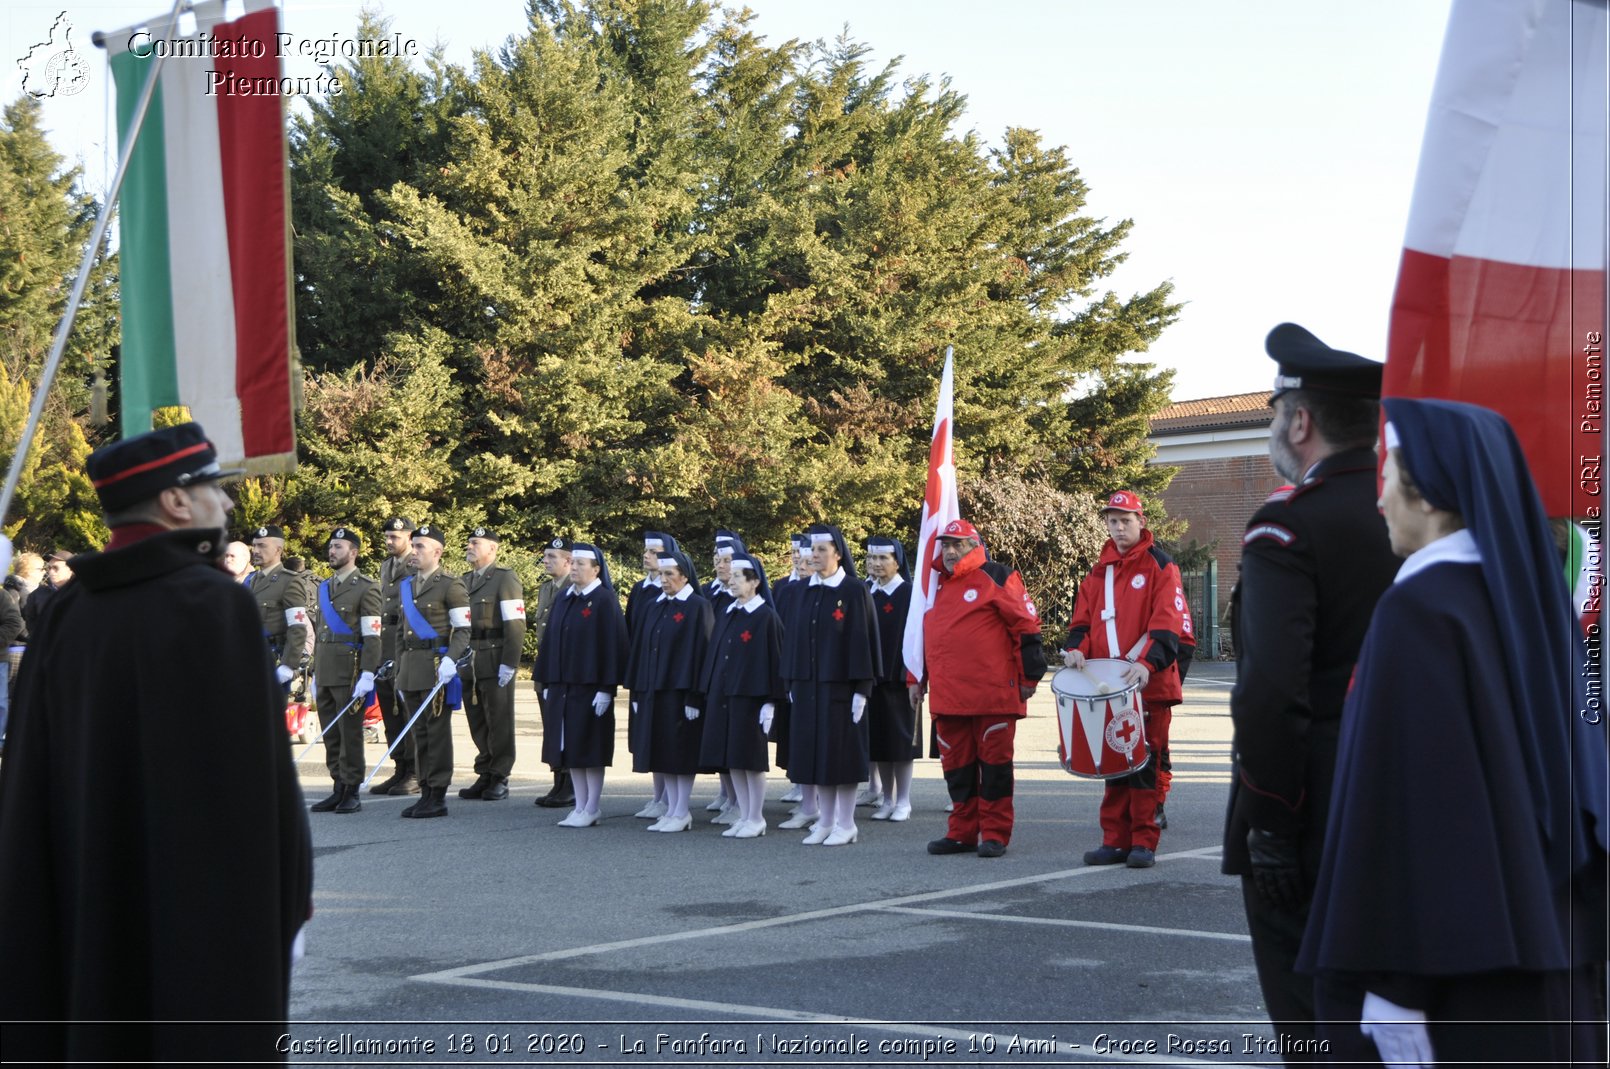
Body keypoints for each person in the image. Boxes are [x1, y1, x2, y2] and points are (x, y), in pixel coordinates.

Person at [1297, 398, 1607, 1065]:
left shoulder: (1421, 610)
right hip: (1549, 949)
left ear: (1430, 494)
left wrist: (1394, 981)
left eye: (1388, 473)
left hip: (1452, 982)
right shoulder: (1529, 604)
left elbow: (1421, 804)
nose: (1378, 496)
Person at [0, 421, 311, 1061]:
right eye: (214, 489)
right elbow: (257, 781)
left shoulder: (68, 608)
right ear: (175, 502)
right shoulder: (212, 603)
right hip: (201, 904)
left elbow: (30, 771)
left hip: (87, 885)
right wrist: (287, 894)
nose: (226, 504)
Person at [1222, 323, 1400, 1058]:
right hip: (1400, 797)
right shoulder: (1422, 517)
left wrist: (1269, 824)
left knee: (1313, 1026)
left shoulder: (1288, 526)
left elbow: (1271, 692)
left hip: (1312, 808)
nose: (1272, 427)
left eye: (1272, 411)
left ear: (1300, 420)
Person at [1064, 491, 1184, 869]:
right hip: (1106, 687)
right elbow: (1081, 622)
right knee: (1114, 763)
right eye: (1112, 521)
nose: (1118, 528)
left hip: (1148, 684)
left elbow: (1168, 624)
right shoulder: (1099, 572)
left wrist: (1148, 665)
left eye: (1125, 520)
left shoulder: (1161, 567)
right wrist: (1075, 649)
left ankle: (1144, 842)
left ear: (1141, 522)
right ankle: (1114, 840)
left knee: (1145, 763)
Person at [914, 519, 1046, 858]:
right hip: (949, 697)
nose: (950, 551)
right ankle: (961, 832)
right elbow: (917, 638)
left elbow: (1026, 624)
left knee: (994, 768)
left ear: (975, 546)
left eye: (958, 544)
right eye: (945, 545)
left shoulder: (997, 575)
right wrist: (914, 678)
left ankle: (995, 833)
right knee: (957, 770)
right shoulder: (933, 587)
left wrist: (1030, 676)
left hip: (992, 695)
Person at [779, 523, 881, 847]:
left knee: (841, 756)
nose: (816, 555)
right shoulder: (806, 590)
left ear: (838, 553)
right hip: (809, 687)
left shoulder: (853, 590)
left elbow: (864, 641)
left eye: (822, 550)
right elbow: (793, 638)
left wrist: (862, 689)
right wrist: (792, 679)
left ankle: (846, 822)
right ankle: (824, 820)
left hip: (841, 688)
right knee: (816, 754)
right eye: (813, 550)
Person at [533, 542, 628, 828]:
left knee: (590, 748)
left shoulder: (604, 600)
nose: (573, 569)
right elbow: (550, 642)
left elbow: (614, 646)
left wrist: (606, 688)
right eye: (572, 564)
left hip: (590, 687)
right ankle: (580, 806)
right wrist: (547, 679)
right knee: (570, 748)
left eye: (580, 565)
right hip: (563, 686)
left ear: (596, 569)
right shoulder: (564, 598)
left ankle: (591, 806)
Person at [694, 551, 786, 838]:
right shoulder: (728, 612)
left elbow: (775, 660)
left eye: (737, 577)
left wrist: (771, 701)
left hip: (752, 699)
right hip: (725, 696)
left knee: (751, 759)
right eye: (730, 576)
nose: (731, 582)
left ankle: (756, 817)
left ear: (755, 581)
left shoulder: (766, 617)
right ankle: (744, 815)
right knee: (734, 757)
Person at [625, 543, 713, 832]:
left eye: (670, 574)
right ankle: (672, 809)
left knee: (680, 753)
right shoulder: (655, 605)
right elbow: (641, 649)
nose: (663, 579)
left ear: (685, 576)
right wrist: (638, 690)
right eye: (661, 574)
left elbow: (700, 654)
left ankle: (681, 810)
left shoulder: (698, 606)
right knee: (663, 751)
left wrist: (694, 696)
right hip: (654, 690)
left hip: (681, 692)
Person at [393, 524, 469, 819]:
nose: (414, 551)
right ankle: (424, 789)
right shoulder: (407, 585)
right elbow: (401, 633)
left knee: (436, 734)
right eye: (413, 546)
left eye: (420, 546)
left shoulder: (451, 584)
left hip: (437, 668)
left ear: (437, 552)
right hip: (411, 668)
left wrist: (451, 659)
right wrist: (399, 670)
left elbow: (463, 630)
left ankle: (437, 794)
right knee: (418, 733)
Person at [308, 526, 383, 815]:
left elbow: (372, 636)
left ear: (353, 552)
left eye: (338, 547)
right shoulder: (324, 587)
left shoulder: (366, 587)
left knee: (349, 733)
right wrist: (314, 672)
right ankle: (337, 785)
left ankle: (352, 788)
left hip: (350, 671)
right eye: (330, 546)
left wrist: (367, 672)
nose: (332, 551)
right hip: (325, 669)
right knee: (330, 732)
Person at [457, 527, 526, 802]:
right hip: (469, 659)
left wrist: (510, 662)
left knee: (499, 720)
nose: (470, 546)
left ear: (492, 549)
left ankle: (500, 775)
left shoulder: (504, 578)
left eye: (476, 543)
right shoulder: (463, 581)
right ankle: (484, 771)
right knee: (477, 719)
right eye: (469, 542)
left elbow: (516, 625)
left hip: (495, 657)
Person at [865, 536, 920, 822]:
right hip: (873, 678)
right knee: (880, 743)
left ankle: (903, 801)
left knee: (900, 743)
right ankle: (886, 798)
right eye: (871, 558)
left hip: (900, 678)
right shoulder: (866, 592)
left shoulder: (909, 594)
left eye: (882, 558)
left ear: (897, 562)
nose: (875, 564)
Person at [370, 517, 419, 796]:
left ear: (409, 537)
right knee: (389, 709)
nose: (389, 542)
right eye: (387, 537)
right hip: (385, 641)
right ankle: (399, 766)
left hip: (405, 641)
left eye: (395, 537)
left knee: (407, 710)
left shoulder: (416, 562)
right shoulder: (386, 565)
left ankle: (414, 770)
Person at [626, 532, 673, 819]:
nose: (647, 555)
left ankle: (670, 799)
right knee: (646, 737)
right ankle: (658, 796)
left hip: (664, 674)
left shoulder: (671, 590)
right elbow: (629, 633)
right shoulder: (639, 589)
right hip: (642, 672)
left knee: (664, 736)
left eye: (654, 551)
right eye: (646, 551)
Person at [531, 536, 576, 809]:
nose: (546, 561)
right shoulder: (546, 588)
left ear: (568, 561)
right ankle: (557, 778)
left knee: (566, 726)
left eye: (552, 557)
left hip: (563, 669)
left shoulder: (575, 588)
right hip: (546, 667)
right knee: (551, 727)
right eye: (545, 556)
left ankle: (570, 781)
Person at [247, 525, 312, 691]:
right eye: (254, 545)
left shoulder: (289, 581)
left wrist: (289, 665)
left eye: (262, 546)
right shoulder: (253, 580)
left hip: (273, 660)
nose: (255, 550)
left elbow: (297, 627)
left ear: (278, 550)